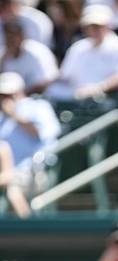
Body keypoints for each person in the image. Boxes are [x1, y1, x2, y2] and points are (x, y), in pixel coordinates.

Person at [47, 4, 118, 100]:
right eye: (90, 26)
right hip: (78, 101)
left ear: (109, 26)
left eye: (98, 26)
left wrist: (100, 88)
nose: (93, 30)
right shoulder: (78, 47)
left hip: (112, 100)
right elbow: (65, 76)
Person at [0, 71, 60, 201]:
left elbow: (41, 134)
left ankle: (25, 220)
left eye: (9, 95)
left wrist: (14, 115)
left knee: (12, 189)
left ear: (20, 92)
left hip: (33, 170)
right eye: (2, 95)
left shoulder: (38, 107)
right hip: (5, 172)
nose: (5, 99)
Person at [0, 18, 58, 95]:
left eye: (14, 35)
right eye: (8, 35)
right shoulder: (3, 54)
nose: (11, 39)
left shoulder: (37, 51)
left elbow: (48, 80)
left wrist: (23, 94)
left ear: (23, 36)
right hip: (11, 97)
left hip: (40, 98)